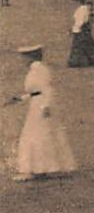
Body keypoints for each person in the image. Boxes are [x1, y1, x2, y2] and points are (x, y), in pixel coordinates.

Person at [10, 45, 76, 181]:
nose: (22, 60)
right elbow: (35, 91)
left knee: (38, 135)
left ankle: (37, 169)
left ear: (30, 57)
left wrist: (45, 106)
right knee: (38, 134)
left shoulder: (40, 69)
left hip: (41, 106)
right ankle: (39, 168)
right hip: (37, 104)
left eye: (23, 57)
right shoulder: (35, 69)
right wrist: (21, 98)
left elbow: (47, 89)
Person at [68, 0, 94, 68]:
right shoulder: (84, 8)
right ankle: (92, 59)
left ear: (79, 1)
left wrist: (74, 28)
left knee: (79, 46)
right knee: (87, 45)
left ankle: (77, 62)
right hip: (83, 30)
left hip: (80, 30)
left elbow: (80, 21)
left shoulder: (82, 9)